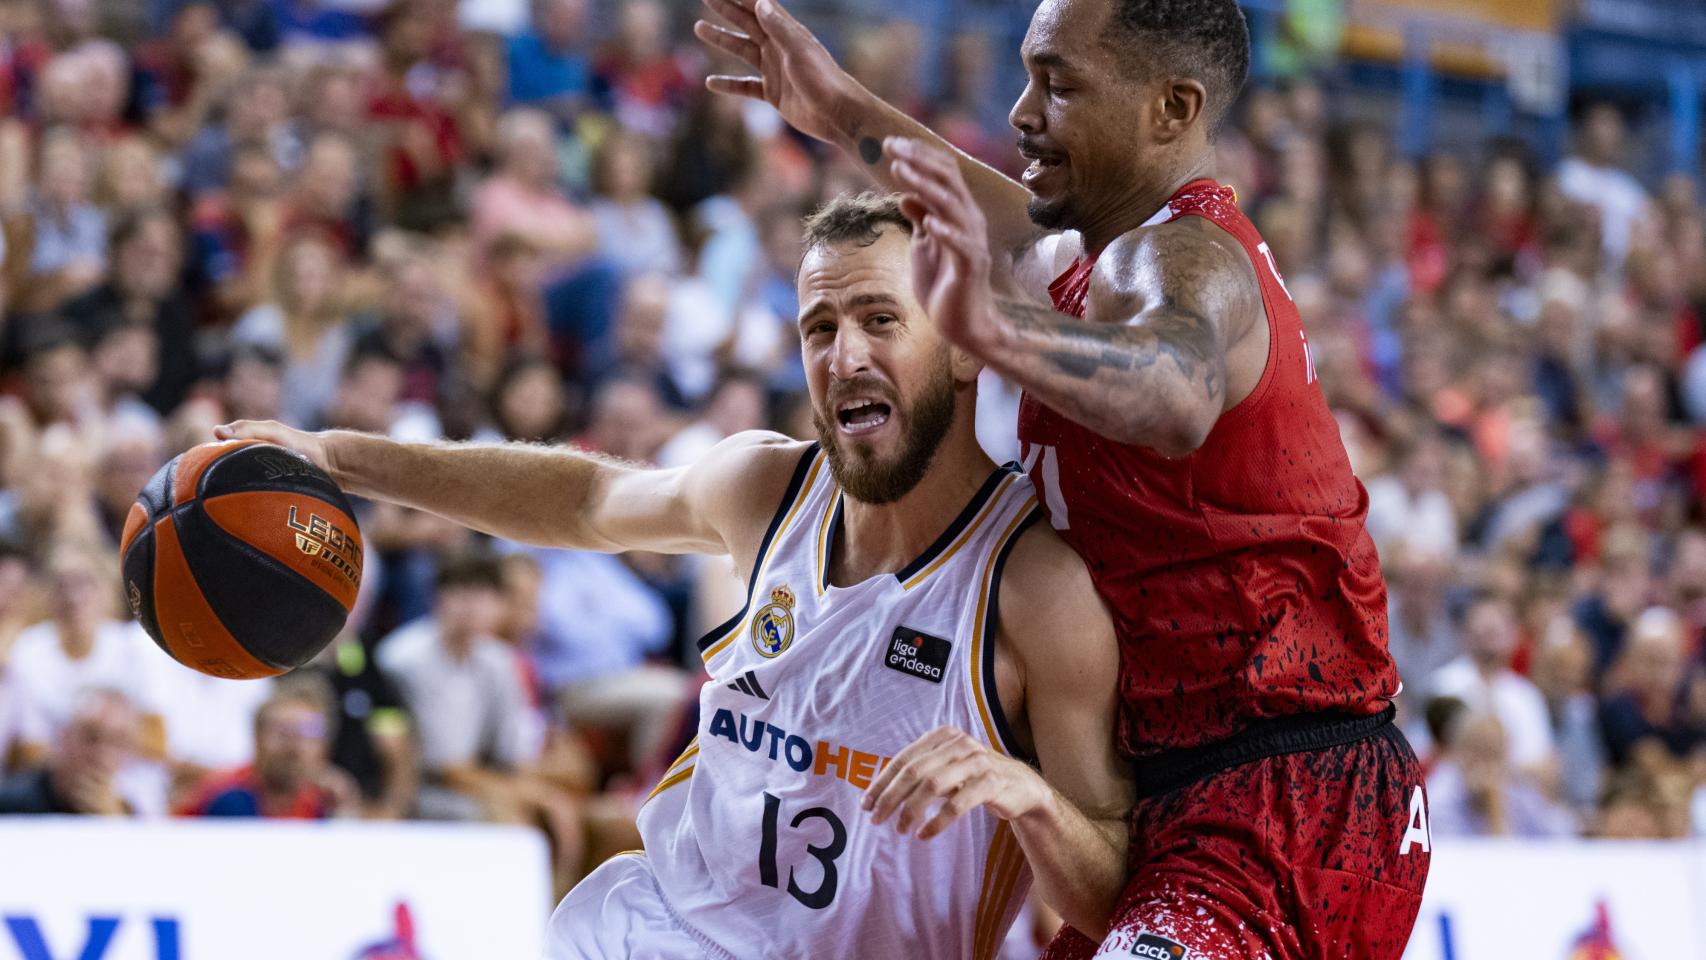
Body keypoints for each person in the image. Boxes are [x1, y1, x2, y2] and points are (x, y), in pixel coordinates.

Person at [217, 192, 1133, 959]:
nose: (844, 355)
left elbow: (1107, 894)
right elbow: (583, 500)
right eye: (820, 326)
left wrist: (1034, 801)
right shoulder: (764, 486)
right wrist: (337, 457)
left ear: (968, 346)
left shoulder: (1032, 587)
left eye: (881, 319)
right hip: (660, 932)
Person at [696, 0, 1429, 956]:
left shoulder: (1185, 258)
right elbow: (980, 214)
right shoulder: (1091, 252)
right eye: (1030, 73)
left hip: (1284, 793)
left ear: (1172, 109)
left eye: (1060, 84)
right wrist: (837, 107)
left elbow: (1177, 386)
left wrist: (992, 330)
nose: (1021, 111)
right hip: (1186, 790)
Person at [178, 681, 358, 819]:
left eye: (308, 733)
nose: (294, 747)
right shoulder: (227, 796)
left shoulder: (323, 801)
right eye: (282, 732)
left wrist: (344, 811)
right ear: (257, 738)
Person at [0, 688, 138, 816]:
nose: (102, 755)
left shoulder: (130, 815)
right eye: (91, 737)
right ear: (64, 738)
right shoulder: (10, 806)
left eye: (117, 742)